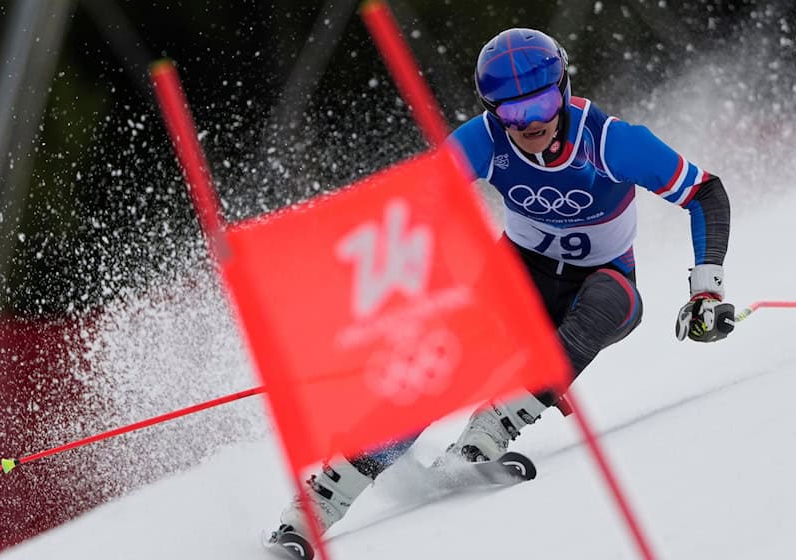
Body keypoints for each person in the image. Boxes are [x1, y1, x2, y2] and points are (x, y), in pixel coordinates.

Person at [273, 27, 733, 550]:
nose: (529, 123)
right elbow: (418, 212)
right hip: (515, 274)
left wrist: (707, 289)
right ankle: (320, 501)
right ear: (492, 110)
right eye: (511, 112)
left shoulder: (610, 141)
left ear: (561, 89)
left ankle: (486, 435)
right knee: (440, 369)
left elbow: (705, 193)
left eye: (539, 103)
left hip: (602, 280)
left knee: (616, 303)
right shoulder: (481, 140)